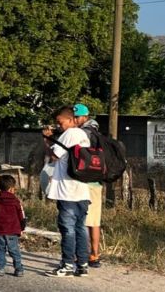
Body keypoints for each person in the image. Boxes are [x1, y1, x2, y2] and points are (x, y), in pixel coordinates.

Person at [43, 106, 92, 278]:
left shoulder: (69, 134)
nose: (59, 126)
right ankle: (83, 265)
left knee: (68, 229)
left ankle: (67, 265)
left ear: (71, 120)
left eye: (60, 122)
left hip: (67, 191)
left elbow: (54, 156)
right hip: (82, 190)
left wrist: (48, 140)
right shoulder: (83, 135)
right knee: (80, 227)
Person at [74, 103, 103, 268]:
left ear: (85, 117)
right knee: (94, 221)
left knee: (82, 220)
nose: (76, 120)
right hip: (97, 182)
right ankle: (94, 255)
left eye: (78, 117)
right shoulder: (97, 133)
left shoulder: (82, 133)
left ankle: (82, 256)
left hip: (85, 182)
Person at [0, 174, 26, 277]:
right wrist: (22, 228)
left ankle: (0, 268)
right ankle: (18, 269)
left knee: (0, 250)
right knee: (14, 251)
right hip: (13, 230)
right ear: (11, 189)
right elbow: (21, 216)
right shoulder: (16, 201)